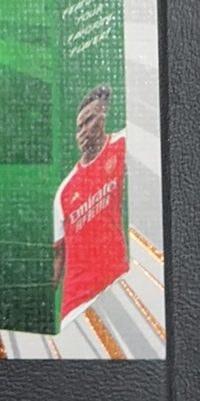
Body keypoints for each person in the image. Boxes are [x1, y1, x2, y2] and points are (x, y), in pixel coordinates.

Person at [53, 84, 128, 329]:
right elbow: (57, 257)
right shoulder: (64, 191)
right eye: (79, 127)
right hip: (76, 306)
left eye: (89, 121)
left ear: (103, 117)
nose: (84, 130)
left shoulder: (123, 145)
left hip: (118, 291)